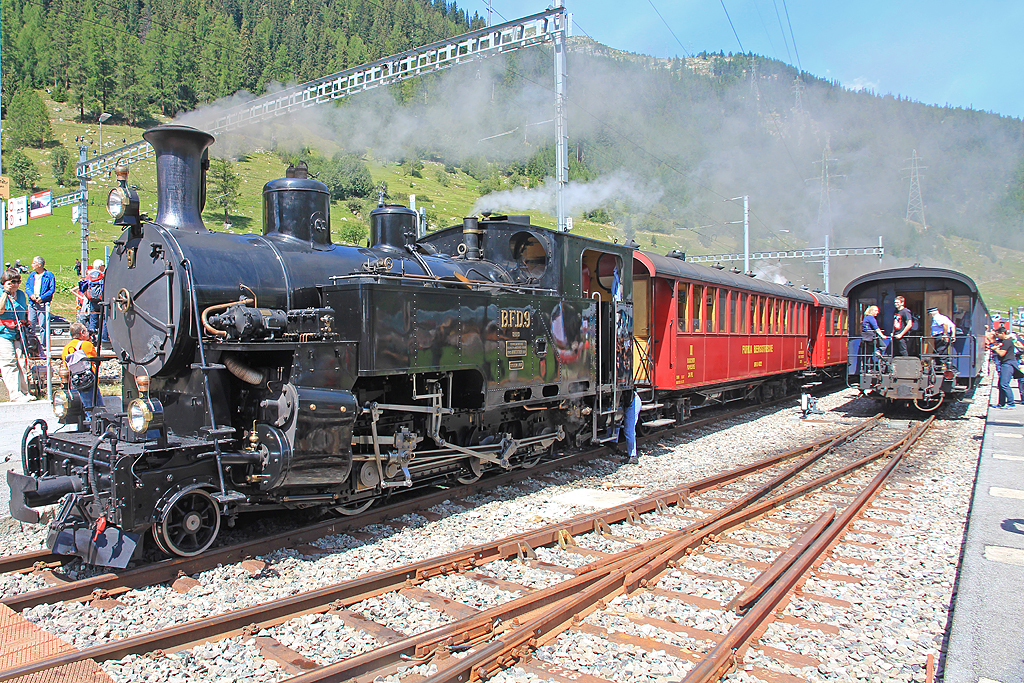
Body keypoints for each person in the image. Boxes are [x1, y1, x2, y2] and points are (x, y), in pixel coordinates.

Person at [0, 268, 34, 402]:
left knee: (22, 362)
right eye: (12, 282)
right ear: (5, 282)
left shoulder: (20, 294)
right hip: (3, 333)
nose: (15, 284)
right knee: (9, 362)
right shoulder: (1, 293)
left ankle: (25, 392)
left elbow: (24, 310)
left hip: (18, 332)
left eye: (17, 282)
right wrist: (5, 292)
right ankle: (15, 394)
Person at [61, 322, 103, 411]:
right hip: (87, 381)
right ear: (82, 333)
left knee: (80, 409)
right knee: (95, 408)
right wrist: (90, 342)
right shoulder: (86, 345)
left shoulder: (66, 347)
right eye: (86, 331)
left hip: (74, 381)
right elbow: (95, 359)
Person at [24, 256, 55, 353]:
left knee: (43, 325)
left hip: (43, 303)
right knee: (31, 324)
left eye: (34, 263)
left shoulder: (49, 275)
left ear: (39, 264)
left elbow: (51, 289)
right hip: (32, 303)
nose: (32, 265)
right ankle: (31, 343)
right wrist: (31, 295)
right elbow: (27, 286)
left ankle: (43, 344)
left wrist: (42, 298)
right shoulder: (32, 275)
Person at [993, 327, 1021, 409]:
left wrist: (995, 349)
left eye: (997, 334)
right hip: (1005, 364)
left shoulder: (1007, 341)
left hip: (1008, 364)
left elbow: (1002, 353)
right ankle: (1001, 403)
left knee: (1004, 384)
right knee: (1001, 384)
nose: (997, 336)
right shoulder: (1005, 341)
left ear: (1003, 333)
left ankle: (1011, 403)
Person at [80, 259, 107, 343]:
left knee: (93, 320)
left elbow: (83, 287)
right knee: (104, 319)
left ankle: (91, 338)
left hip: (92, 300)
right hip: (102, 300)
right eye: (103, 266)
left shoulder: (89, 275)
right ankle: (104, 339)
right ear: (100, 266)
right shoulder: (102, 275)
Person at [623, 388, 642, 464]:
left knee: (629, 430)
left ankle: (633, 455)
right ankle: (613, 444)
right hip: (627, 402)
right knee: (617, 423)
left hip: (632, 403)